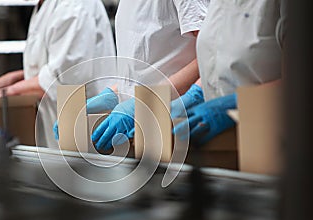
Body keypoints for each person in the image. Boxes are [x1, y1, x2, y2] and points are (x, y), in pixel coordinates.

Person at [0, 0, 115, 147]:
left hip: (84, 136)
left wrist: (11, 91)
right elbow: (53, 65)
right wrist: (15, 78)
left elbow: (66, 77)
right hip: (57, 131)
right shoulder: (44, 5)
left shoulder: (74, 5)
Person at [91, 0, 210, 151]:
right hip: (137, 129)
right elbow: (145, 61)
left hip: (176, 124)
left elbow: (211, 54)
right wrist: (116, 93)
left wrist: (148, 101)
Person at [173, 0, 286, 146]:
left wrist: (238, 104)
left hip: (272, 144)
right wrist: (194, 95)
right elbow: (219, 58)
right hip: (223, 142)